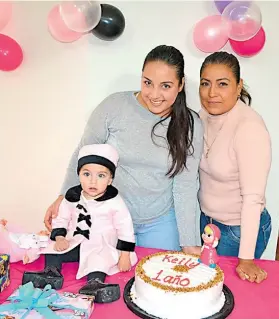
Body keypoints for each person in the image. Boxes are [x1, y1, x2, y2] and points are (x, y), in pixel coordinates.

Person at [43, 45, 203, 255]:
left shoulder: (191, 124)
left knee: (158, 281)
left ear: (181, 84)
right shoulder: (114, 106)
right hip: (108, 216)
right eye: (148, 83)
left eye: (165, 86)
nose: (154, 94)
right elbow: (83, 154)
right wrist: (64, 196)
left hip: (161, 222)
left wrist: (189, 241)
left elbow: (186, 186)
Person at [23, 144, 137, 303]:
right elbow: (61, 219)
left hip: (100, 244)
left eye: (101, 176)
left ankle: (94, 283)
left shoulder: (115, 202)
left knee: (97, 260)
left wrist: (125, 255)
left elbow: (125, 228)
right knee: (51, 248)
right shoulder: (72, 197)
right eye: (86, 174)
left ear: (110, 180)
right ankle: (51, 273)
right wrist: (60, 237)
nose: (93, 181)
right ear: (79, 175)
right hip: (75, 241)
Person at [198, 52, 272, 284]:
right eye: (205, 83)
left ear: (238, 86)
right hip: (207, 223)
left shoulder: (249, 128)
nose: (212, 93)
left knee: (226, 295)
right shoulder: (201, 117)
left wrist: (246, 258)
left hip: (237, 230)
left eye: (222, 84)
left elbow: (253, 198)